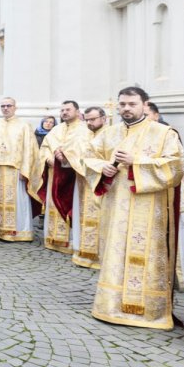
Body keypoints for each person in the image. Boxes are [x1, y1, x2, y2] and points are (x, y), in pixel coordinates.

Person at [81, 86, 183, 329]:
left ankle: (150, 311)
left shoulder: (164, 133)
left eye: (132, 104)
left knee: (146, 254)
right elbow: (88, 157)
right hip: (116, 206)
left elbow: (176, 167)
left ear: (145, 105)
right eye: (123, 104)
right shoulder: (108, 134)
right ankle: (110, 306)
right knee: (115, 252)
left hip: (150, 210)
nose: (126, 108)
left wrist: (136, 163)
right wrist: (102, 167)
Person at [0, 97, 39, 241]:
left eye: (9, 105)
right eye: (3, 106)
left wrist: (25, 169)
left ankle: (20, 231)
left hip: (16, 170)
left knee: (18, 201)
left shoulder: (24, 126)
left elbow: (29, 149)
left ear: (15, 107)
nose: (6, 108)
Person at [35, 101, 89, 254]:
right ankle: (53, 238)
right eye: (62, 110)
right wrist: (47, 159)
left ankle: (72, 240)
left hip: (73, 176)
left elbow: (85, 151)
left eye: (68, 109)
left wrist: (68, 160)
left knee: (72, 205)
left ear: (77, 111)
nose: (64, 112)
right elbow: (45, 148)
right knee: (53, 203)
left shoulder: (84, 130)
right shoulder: (56, 129)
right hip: (54, 174)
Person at [67, 106, 108, 269]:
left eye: (93, 119)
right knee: (84, 217)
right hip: (83, 181)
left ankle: (101, 255)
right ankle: (84, 252)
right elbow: (75, 153)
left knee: (101, 218)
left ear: (103, 118)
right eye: (88, 119)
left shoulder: (110, 135)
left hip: (102, 183)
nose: (90, 123)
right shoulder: (83, 134)